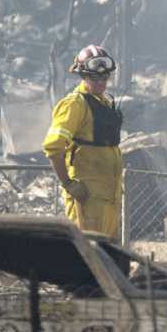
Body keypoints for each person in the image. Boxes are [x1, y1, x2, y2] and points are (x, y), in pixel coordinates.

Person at [43, 44, 125, 240]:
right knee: (87, 252)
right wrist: (68, 184)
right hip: (86, 197)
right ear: (83, 76)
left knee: (107, 254)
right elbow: (53, 148)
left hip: (109, 196)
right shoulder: (75, 104)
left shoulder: (104, 103)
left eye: (105, 77)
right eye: (95, 77)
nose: (101, 82)